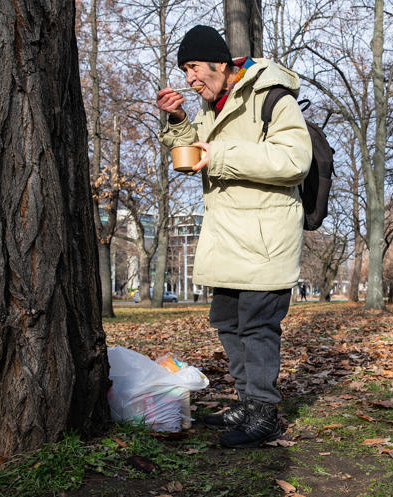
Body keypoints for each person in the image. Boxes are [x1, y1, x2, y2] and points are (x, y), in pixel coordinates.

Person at [156, 25, 312, 448]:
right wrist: (178, 120)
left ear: (219, 63)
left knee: (258, 326)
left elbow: (294, 160)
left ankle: (265, 414)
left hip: (265, 237)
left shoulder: (272, 96)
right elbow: (197, 153)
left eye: (193, 68)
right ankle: (247, 402)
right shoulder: (213, 105)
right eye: (185, 71)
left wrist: (219, 156)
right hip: (227, 236)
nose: (189, 79)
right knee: (226, 320)